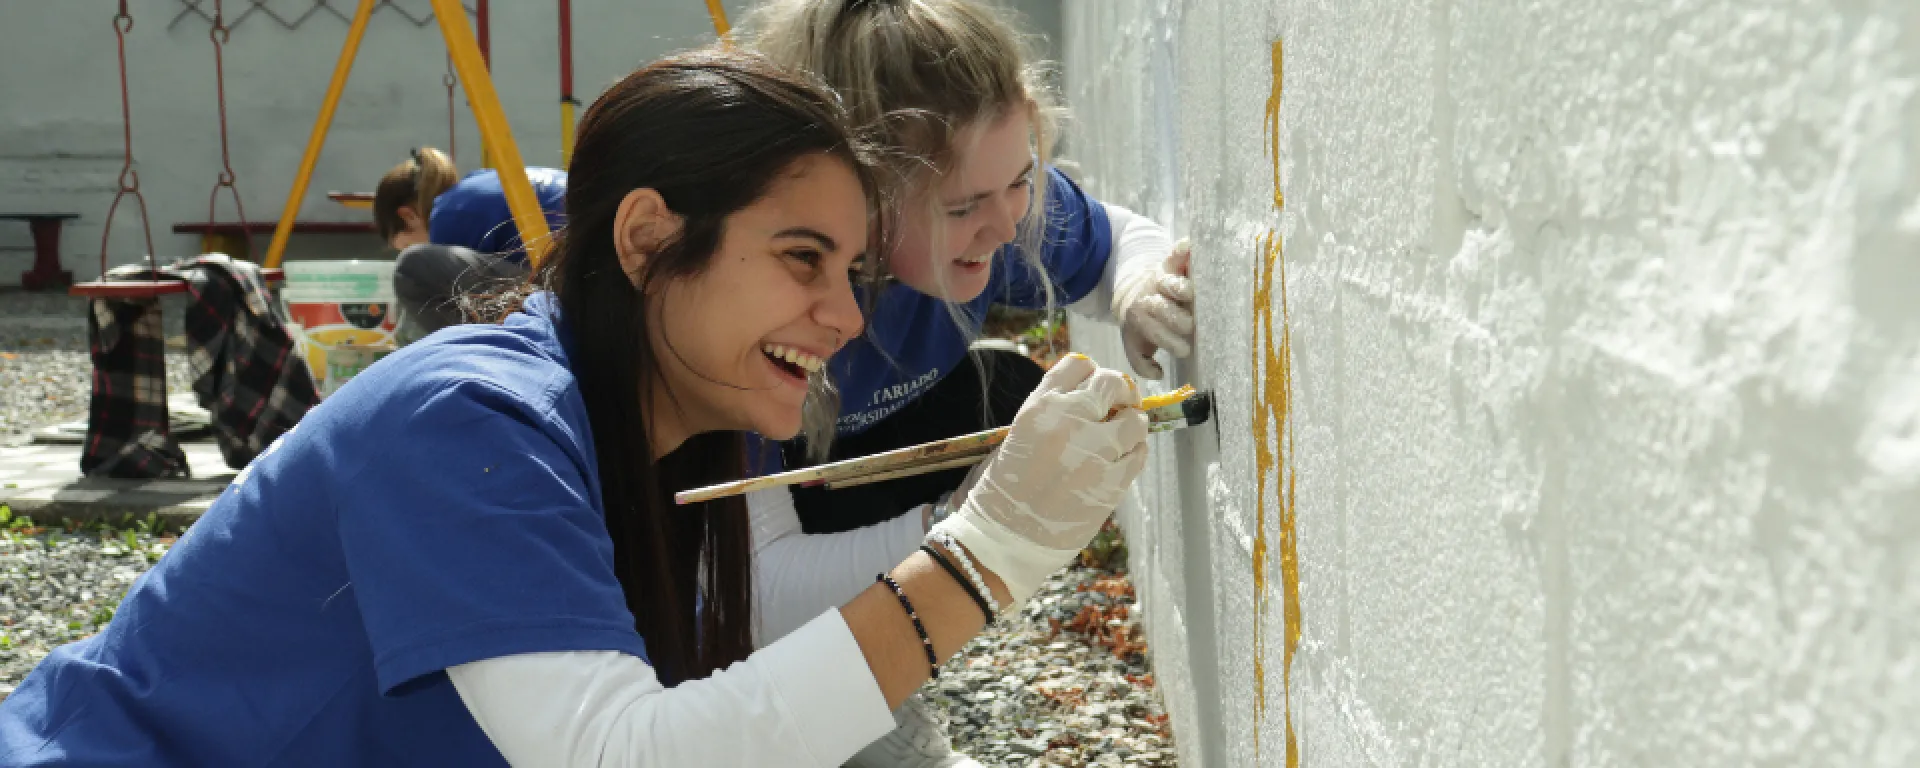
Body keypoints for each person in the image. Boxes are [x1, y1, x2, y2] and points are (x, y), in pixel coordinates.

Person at [0, 49, 1149, 767]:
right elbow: (621, 753)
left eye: (851, 272)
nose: (845, 318)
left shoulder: (661, 421)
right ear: (648, 239)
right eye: (803, 258)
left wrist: (990, 527)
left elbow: (735, 667)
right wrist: (989, 551)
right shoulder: (468, 419)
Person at [738, 1, 1200, 763]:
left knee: (1007, 392)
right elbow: (757, 588)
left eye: (1021, 180)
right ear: (856, 188)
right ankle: (842, 709)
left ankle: (870, 692)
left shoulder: (986, 207)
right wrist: (976, 523)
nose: (1008, 225)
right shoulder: (753, 308)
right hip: (683, 567)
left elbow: (1116, 237)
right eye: (964, 207)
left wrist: (1138, 287)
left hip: (823, 475)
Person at [371, 146, 569, 343]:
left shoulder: (446, 215)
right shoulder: (480, 183)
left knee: (412, 267)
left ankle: (479, 353)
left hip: (567, 289)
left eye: (405, 244)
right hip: (584, 276)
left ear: (408, 216)